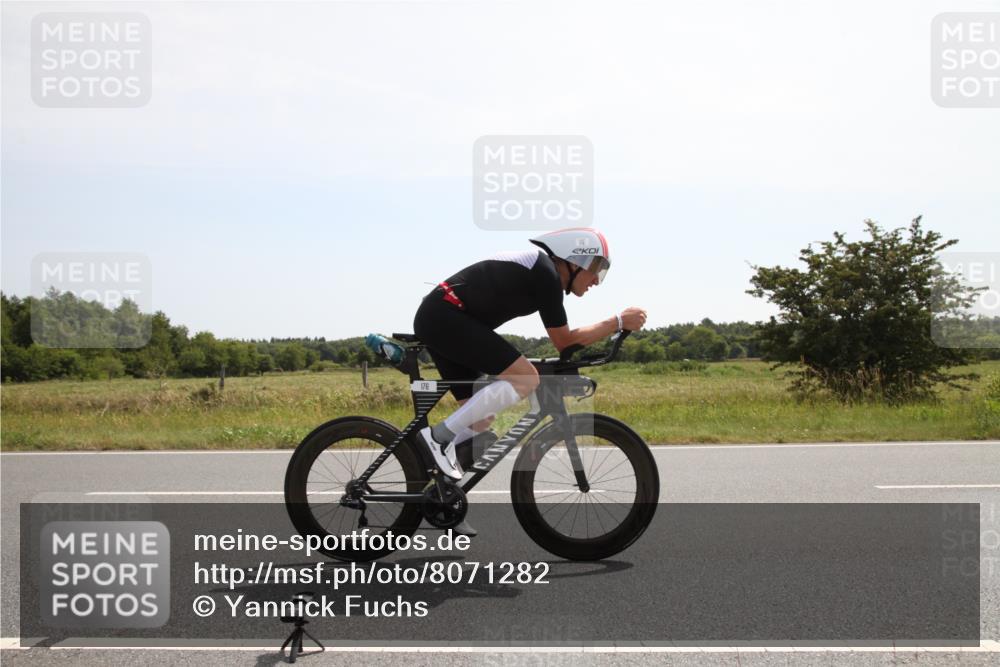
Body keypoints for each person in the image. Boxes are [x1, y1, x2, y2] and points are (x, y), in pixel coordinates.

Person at [412, 228, 647, 536]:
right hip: (446, 317)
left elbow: (566, 344)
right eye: (595, 270)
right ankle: (438, 438)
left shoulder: (545, 275)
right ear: (575, 259)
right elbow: (565, 341)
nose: (595, 281)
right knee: (526, 378)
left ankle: (442, 501)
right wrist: (616, 322)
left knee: (479, 422)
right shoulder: (545, 272)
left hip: (449, 318)